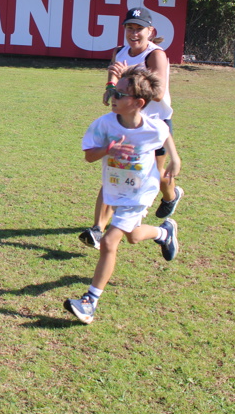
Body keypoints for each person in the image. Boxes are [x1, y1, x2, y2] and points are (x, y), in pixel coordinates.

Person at [64, 67, 182, 324]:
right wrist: (108, 149)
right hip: (116, 191)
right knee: (133, 236)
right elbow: (89, 156)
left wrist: (175, 159)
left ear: (138, 103)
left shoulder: (152, 127)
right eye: (113, 92)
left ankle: (89, 302)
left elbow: (165, 133)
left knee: (109, 242)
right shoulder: (104, 124)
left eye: (119, 94)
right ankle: (164, 233)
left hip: (141, 192)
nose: (113, 97)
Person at [80, 7, 184, 250]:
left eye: (139, 29)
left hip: (153, 125)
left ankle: (171, 195)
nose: (133, 33)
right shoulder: (119, 51)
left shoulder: (155, 55)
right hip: (126, 122)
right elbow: (113, 78)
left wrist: (127, 73)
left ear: (151, 31)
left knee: (157, 175)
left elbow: (158, 93)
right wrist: (110, 89)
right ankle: (97, 229)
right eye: (129, 28)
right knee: (114, 172)